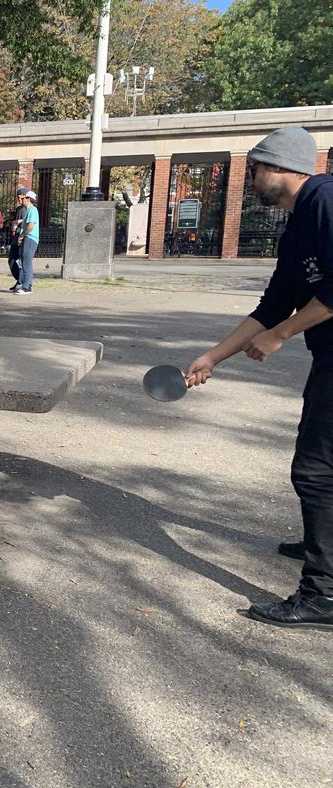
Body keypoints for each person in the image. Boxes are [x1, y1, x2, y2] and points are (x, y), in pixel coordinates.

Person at [185, 126, 333, 630]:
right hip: (330, 358)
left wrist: (282, 335)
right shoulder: (295, 227)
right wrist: (212, 357)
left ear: (282, 168)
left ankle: (323, 593)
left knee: (315, 471)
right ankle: (325, 545)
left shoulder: (326, 200)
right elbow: (271, 305)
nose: (250, 179)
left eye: (255, 169)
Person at [12, 190, 40, 295]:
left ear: (28, 199)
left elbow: (30, 225)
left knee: (26, 262)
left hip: (30, 238)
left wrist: (22, 235)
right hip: (28, 238)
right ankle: (26, 285)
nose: (21, 200)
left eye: (23, 198)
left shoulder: (32, 210)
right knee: (24, 262)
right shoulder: (30, 210)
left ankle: (26, 286)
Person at [7, 187, 29, 289]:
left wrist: (18, 222)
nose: (19, 200)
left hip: (22, 237)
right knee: (11, 260)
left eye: (21, 198)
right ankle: (19, 280)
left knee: (21, 261)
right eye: (18, 198)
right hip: (16, 236)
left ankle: (21, 281)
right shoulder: (19, 209)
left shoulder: (28, 209)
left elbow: (29, 221)